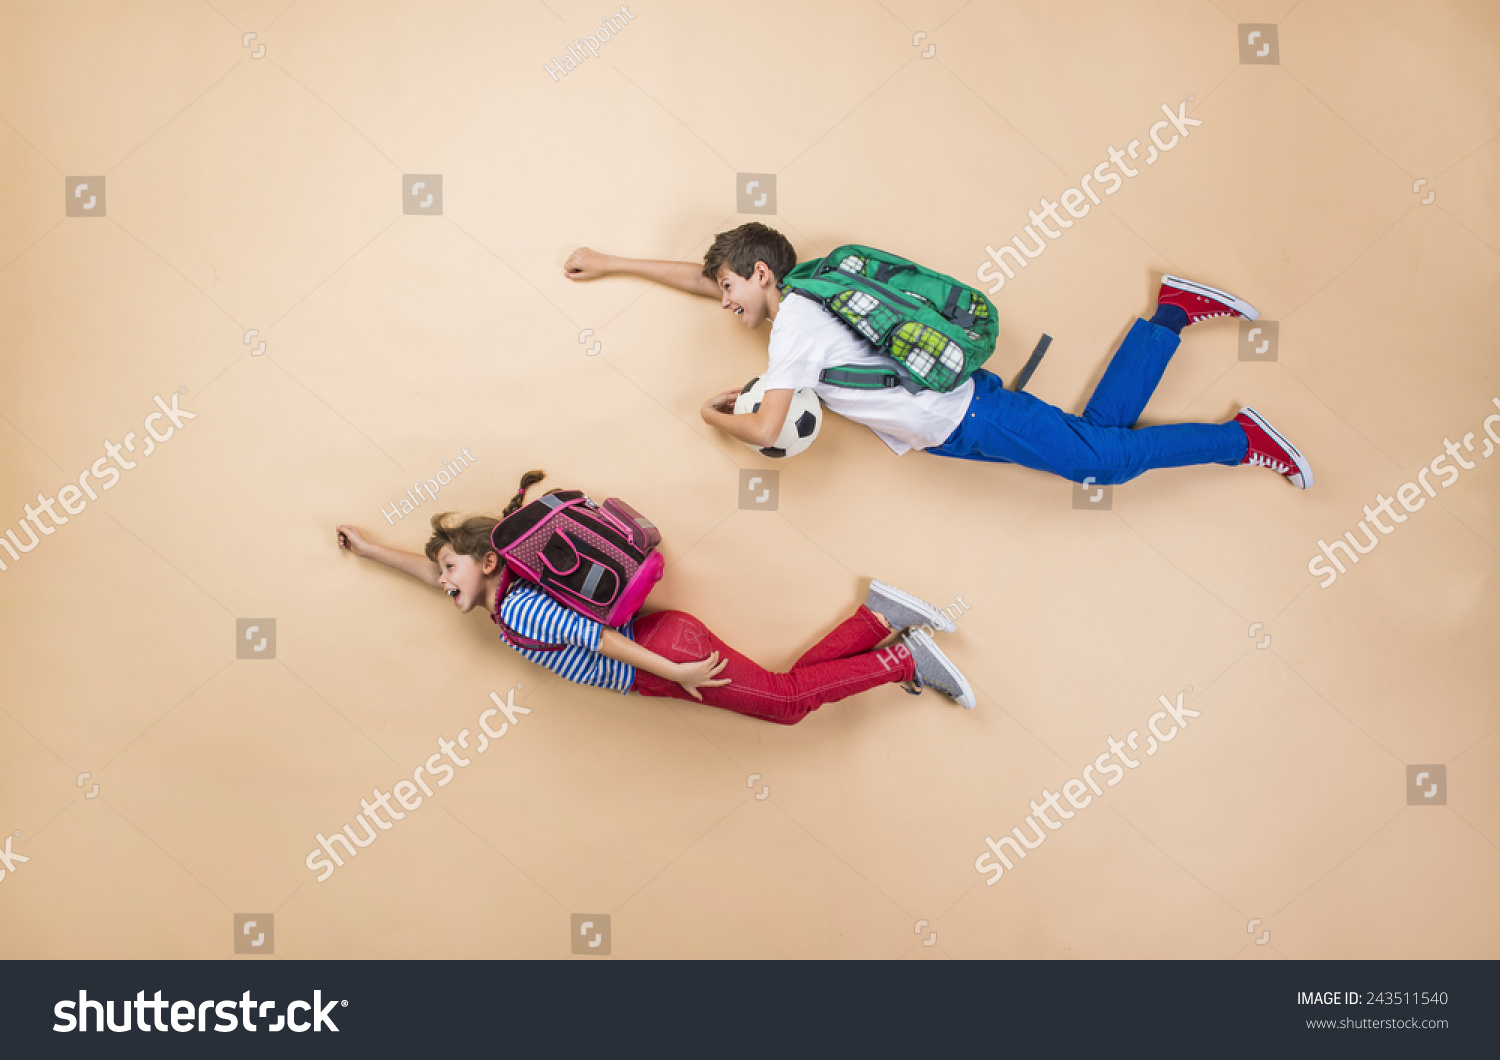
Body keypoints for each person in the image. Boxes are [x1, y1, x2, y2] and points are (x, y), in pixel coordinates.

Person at [563, 222, 1313, 489]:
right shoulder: (805, 295)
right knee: (1100, 446)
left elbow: (764, 431)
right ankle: (1174, 311)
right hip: (950, 429)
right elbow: (704, 279)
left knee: (1104, 464)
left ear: (761, 274)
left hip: (968, 414)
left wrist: (709, 414)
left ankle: (1239, 439)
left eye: (730, 288)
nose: (723, 302)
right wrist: (614, 262)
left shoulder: (793, 327)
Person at [334, 471, 975, 724]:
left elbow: (598, 638)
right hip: (664, 644)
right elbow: (431, 578)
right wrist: (370, 551)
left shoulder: (519, 606)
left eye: (450, 567)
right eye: (442, 574)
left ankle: (901, 658)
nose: (444, 581)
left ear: (489, 561)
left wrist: (675, 672)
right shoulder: (508, 594)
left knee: (785, 705)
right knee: (785, 693)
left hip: (661, 656)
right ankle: (880, 619)